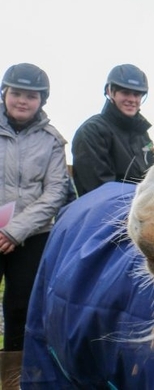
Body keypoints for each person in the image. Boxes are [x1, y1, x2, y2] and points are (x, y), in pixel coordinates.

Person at [0, 63, 69, 389]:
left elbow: (55, 192)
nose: (23, 101)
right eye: (17, 93)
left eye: (32, 96)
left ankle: (11, 376)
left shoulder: (53, 141)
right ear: (5, 93)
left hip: (32, 236)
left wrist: (15, 230)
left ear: (42, 101)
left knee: (20, 306)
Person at [71, 64, 154, 196]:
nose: (132, 100)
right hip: (107, 210)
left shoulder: (142, 134)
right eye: (125, 93)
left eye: (137, 94)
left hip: (143, 208)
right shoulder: (91, 132)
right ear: (110, 92)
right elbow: (100, 190)